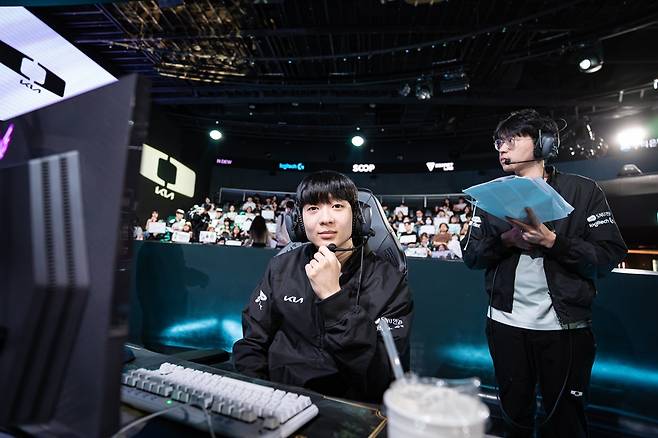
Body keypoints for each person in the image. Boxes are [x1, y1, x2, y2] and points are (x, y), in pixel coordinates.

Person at [461, 109, 627, 437]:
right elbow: (472, 256)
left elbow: (608, 255)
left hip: (565, 330)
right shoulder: (490, 196)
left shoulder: (584, 190)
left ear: (544, 143)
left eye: (512, 140)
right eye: (499, 142)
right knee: (514, 416)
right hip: (505, 326)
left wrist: (553, 242)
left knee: (565, 422)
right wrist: (507, 241)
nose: (502, 148)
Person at [233, 170, 413, 403]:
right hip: (277, 399)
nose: (325, 219)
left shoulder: (390, 282)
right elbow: (252, 344)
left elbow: (381, 376)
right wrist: (259, 396)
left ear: (358, 216)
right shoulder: (281, 266)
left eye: (337, 206)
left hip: (347, 408)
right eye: (313, 208)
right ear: (299, 222)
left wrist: (333, 298)